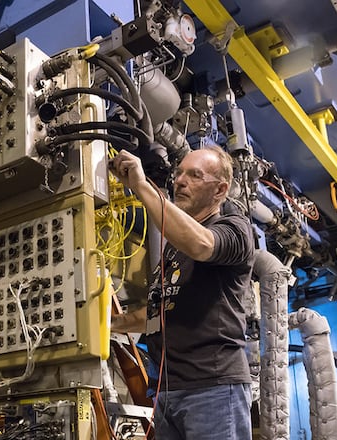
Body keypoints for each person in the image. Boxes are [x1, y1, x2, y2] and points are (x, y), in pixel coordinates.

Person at [110, 146, 255, 440]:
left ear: (220, 189)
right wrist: (109, 324)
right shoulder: (174, 250)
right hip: (166, 391)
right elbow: (157, 315)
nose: (180, 180)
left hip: (211, 388)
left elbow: (202, 245)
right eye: (179, 173)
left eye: (194, 175)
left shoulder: (234, 229)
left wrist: (141, 186)